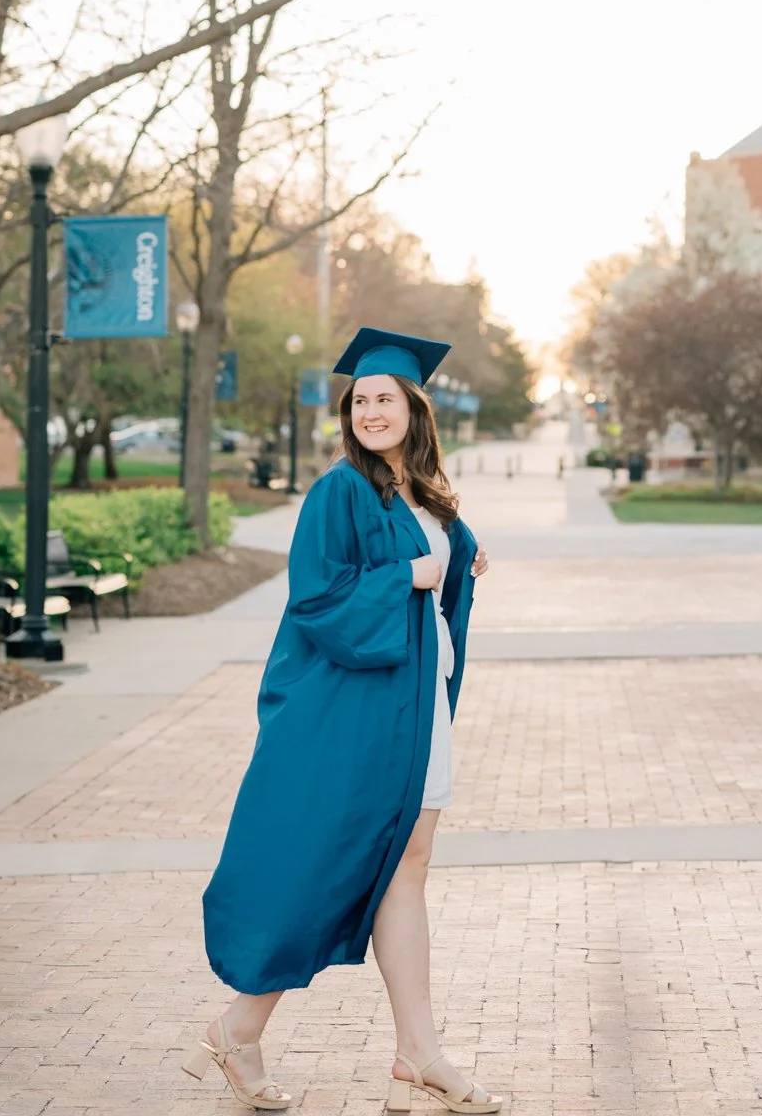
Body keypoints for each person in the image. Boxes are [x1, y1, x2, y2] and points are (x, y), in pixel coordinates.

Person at [186, 327, 499, 1114]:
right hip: (360, 714)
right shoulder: (340, 490)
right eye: (360, 400)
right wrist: (410, 573)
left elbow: (434, 568)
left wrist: (458, 554)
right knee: (337, 863)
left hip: (413, 708)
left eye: (384, 398)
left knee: (406, 865)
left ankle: (412, 1055)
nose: (369, 411)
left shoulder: (418, 490)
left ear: (413, 409)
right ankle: (244, 1029)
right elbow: (317, 598)